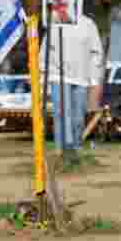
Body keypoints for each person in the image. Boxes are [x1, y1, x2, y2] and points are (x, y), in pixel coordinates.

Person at [40, 12, 104, 163]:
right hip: (58, 75)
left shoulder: (88, 24)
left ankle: (76, 149)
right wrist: (43, 74)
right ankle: (60, 150)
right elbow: (45, 51)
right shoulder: (54, 23)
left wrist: (94, 77)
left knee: (78, 117)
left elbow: (96, 52)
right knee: (61, 113)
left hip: (81, 76)